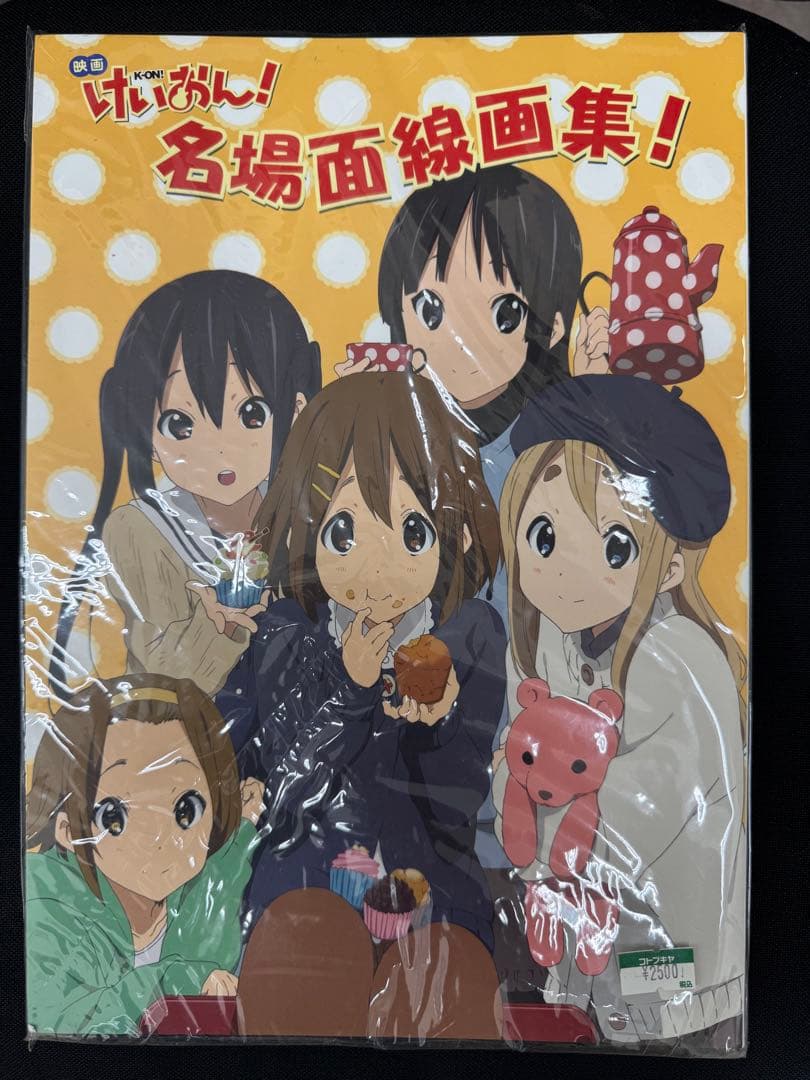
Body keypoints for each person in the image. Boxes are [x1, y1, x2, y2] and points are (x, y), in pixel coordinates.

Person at [217, 372, 506, 1038]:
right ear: (307, 528)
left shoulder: (469, 637)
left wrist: (440, 724)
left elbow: (459, 806)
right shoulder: (287, 633)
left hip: (431, 901)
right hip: (302, 901)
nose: (377, 566)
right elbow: (288, 785)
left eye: (413, 532)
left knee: (452, 983)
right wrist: (350, 687)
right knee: (300, 977)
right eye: (344, 531)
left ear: (458, 536)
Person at [493, 374, 747, 1047]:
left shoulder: (682, 657)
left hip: (675, 952)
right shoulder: (541, 640)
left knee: (666, 1030)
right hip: (583, 941)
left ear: (670, 567)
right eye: (544, 536)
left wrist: (539, 826)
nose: (565, 573)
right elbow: (512, 755)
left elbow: (644, 809)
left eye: (613, 547)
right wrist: (517, 806)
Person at [49, 270, 321, 698]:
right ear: (143, 433)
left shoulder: (306, 513)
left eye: (251, 414)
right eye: (181, 424)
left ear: (296, 407)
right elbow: (164, 680)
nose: (221, 450)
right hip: (187, 732)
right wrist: (220, 628)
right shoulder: (140, 530)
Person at [25, 673, 264, 1037]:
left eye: (186, 809)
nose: (157, 837)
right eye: (115, 817)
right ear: (68, 831)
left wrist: (239, 835)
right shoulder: (45, 903)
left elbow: (209, 930)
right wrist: (182, 979)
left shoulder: (194, 895)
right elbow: (66, 1021)